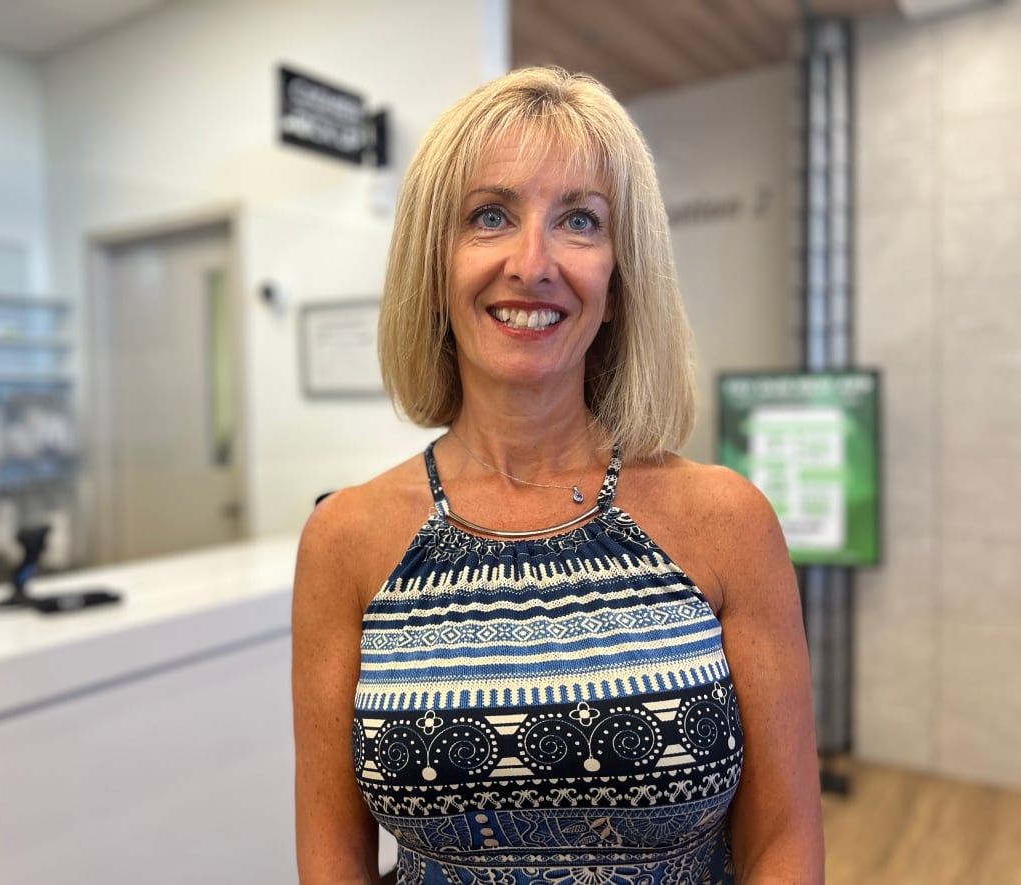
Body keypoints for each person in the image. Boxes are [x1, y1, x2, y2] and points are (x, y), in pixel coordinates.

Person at [292, 66, 824, 884]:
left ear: (618, 279)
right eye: (490, 216)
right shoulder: (347, 539)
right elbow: (333, 860)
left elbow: (783, 841)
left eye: (579, 220)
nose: (532, 262)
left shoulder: (726, 521)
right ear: (436, 266)